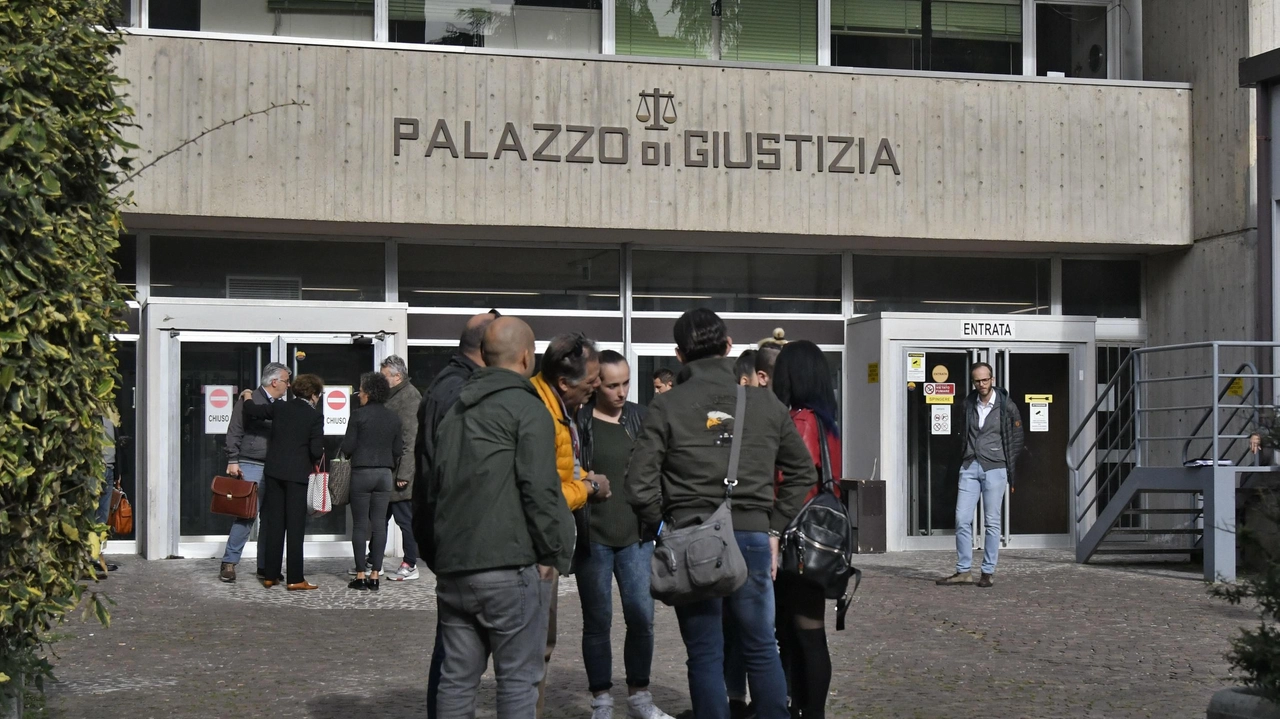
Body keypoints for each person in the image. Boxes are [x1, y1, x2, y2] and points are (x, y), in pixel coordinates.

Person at [626, 309, 817, 719]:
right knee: (761, 643)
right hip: (752, 532)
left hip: (690, 535)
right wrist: (775, 527)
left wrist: (663, 524)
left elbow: (638, 485)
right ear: (728, 346)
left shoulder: (666, 406)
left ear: (679, 355)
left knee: (705, 652)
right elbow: (803, 472)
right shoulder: (765, 403)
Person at [430, 316, 575, 718]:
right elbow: (541, 490)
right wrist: (552, 553)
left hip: (456, 566)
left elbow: (434, 485)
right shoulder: (527, 409)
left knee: (457, 680)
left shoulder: (454, 411)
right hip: (508, 565)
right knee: (517, 680)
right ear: (527, 357)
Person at [574, 351, 673, 719]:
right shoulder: (579, 421)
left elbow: (659, 470)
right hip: (593, 535)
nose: (620, 392)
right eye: (612, 385)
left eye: (626, 383)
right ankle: (601, 698)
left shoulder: (641, 417)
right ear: (596, 383)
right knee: (597, 620)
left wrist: (660, 518)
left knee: (641, 616)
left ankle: (639, 695)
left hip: (637, 535)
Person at [415, 310, 499, 719]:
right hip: (462, 536)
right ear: (488, 348)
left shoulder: (453, 384)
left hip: (453, 533)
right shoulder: (459, 391)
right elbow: (456, 469)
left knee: (455, 651)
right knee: (456, 655)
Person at [530, 332, 610, 718]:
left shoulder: (560, 408)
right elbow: (544, 492)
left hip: (545, 544)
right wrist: (589, 487)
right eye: (591, 383)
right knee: (531, 651)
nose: (594, 391)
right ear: (563, 381)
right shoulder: (539, 413)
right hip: (533, 547)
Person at [770, 340, 842, 719]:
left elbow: (788, 478)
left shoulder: (799, 421)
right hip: (818, 538)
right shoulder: (827, 420)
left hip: (795, 536)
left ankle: (808, 710)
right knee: (808, 631)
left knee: (802, 634)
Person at [937, 362, 1024, 589]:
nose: (982, 384)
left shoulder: (1006, 405)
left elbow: (1017, 438)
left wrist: (1007, 464)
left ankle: (988, 571)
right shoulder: (967, 404)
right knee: (961, 519)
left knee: (992, 522)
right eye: (978, 380)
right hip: (969, 466)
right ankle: (964, 571)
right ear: (973, 381)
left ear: (992, 379)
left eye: (985, 380)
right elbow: (961, 434)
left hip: (995, 468)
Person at [240, 373, 325, 591]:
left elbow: (252, 411)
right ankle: (295, 578)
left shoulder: (279, 407)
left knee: (275, 524)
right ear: (314, 395)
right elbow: (316, 450)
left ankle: (270, 575)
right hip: (297, 476)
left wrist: (248, 395)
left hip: (274, 472)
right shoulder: (314, 416)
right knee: (295, 528)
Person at [219, 362, 290, 583]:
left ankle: (265, 566)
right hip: (251, 463)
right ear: (275, 381)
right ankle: (229, 562)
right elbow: (235, 430)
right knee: (246, 514)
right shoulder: (249, 401)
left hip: (275, 467)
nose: (289, 386)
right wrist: (233, 459)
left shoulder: (281, 405)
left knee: (271, 519)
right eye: (287, 381)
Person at [342, 372, 404, 591]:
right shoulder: (393, 417)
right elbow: (398, 449)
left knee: (360, 525)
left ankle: (360, 574)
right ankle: (375, 575)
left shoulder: (358, 416)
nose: (359, 395)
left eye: (361, 390)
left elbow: (347, 447)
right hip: (384, 474)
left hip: (362, 473)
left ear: (367, 392)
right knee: (379, 525)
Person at [379, 355, 422, 581]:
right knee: (380, 518)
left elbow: (411, 438)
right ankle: (374, 560)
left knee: (404, 520)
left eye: (384, 375)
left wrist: (405, 473)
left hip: (400, 472)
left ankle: (410, 562)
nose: (381, 380)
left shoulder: (409, 397)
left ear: (397, 376)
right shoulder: (393, 395)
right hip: (388, 469)